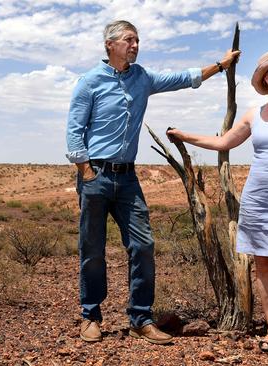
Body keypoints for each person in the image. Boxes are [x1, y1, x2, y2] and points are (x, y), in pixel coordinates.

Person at [65, 20, 240, 345]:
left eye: (137, 40)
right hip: (96, 176)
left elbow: (180, 78)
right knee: (92, 249)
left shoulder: (142, 78)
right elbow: (74, 129)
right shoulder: (89, 82)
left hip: (128, 177)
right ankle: (90, 316)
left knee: (143, 246)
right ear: (110, 45)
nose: (135, 45)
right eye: (129, 40)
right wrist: (86, 170)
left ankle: (140, 319)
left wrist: (220, 66)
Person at [167, 48, 268, 362]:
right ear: (267, 78)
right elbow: (224, 142)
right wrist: (184, 135)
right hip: (258, 201)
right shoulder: (253, 115)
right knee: (265, 266)